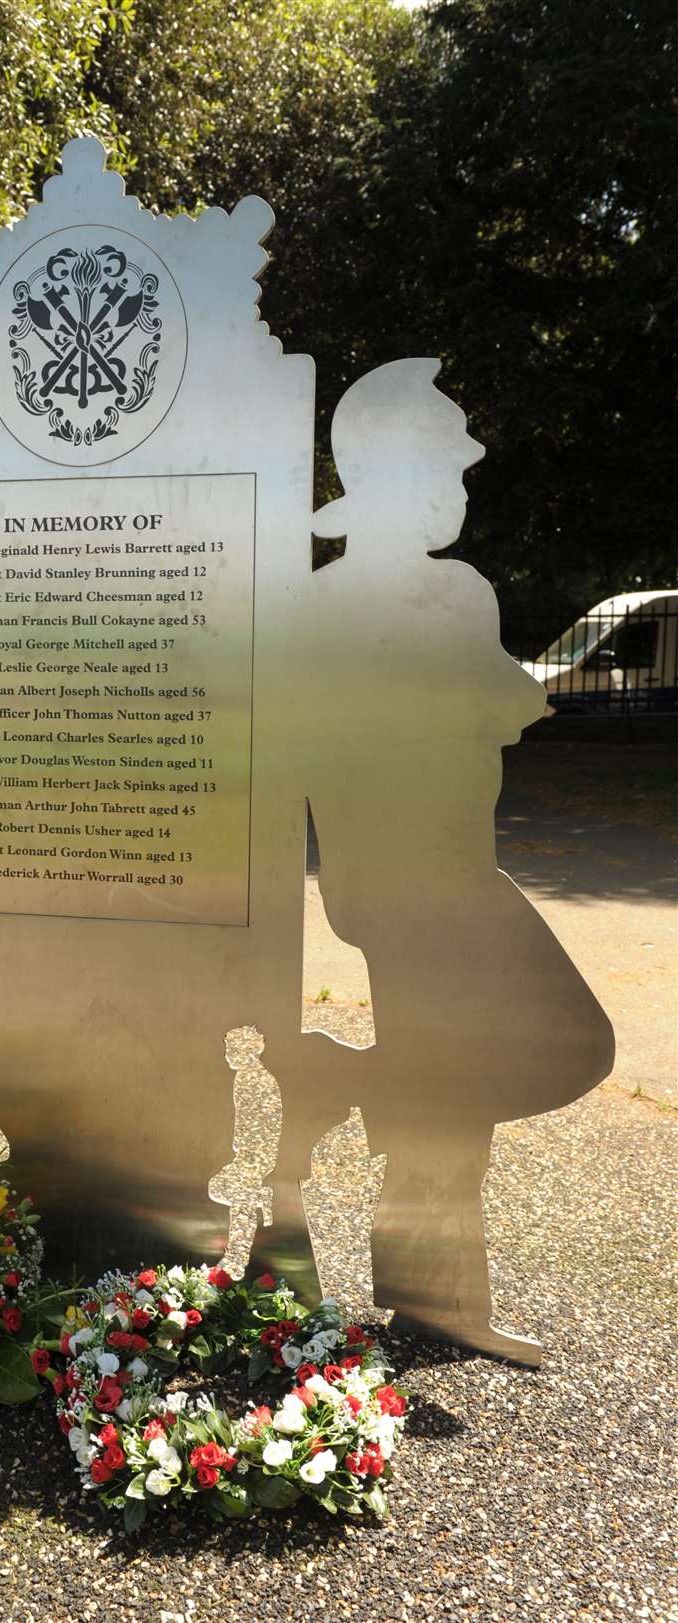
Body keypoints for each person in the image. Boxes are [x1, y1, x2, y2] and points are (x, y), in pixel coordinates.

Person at [306, 358, 614, 1362]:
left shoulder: (326, 601)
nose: (465, 486)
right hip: (434, 876)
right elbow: (498, 706)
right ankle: (366, 1088)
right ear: (409, 476)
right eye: (453, 466)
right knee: (565, 1042)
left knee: (457, 1078)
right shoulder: (450, 593)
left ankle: (433, 1288)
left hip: (382, 875)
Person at [208, 1026, 281, 1275]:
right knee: (241, 1204)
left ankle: (236, 1259)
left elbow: (256, 1121)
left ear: (244, 1050)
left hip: (254, 1154)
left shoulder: (251, 1078)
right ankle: (236, 1261)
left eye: (230, 1050)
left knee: (228, 1194)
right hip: (256, 1154)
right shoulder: (258, 1077)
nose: (227, 1056)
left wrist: (248, 1152)